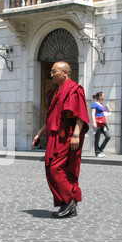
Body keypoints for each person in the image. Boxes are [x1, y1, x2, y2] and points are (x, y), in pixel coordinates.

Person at [32, 61, 89, 218]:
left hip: (67, 135)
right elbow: (51, 118)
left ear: (65, 72)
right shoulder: (54, 93)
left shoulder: (75, 90)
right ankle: (69, 204)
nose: (51, 75)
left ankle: (69, 200)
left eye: (54, 71)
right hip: (54, 136)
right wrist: (40, 134)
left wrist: (76, 135)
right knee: (51, 167)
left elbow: (81, 115)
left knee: (55, 168)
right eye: (51, 72)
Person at [91, 92, 111, 157]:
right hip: (98, 123)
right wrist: (94, 122)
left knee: (108, 136)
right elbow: (93, 113)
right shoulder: (95, 104)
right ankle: (97, 152)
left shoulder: (101, 104)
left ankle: (100, 149)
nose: (103, 97)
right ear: (100, 96)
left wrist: (108, 110)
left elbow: (103, 112)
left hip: (103, 123)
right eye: (103, 96)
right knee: (97, 138)